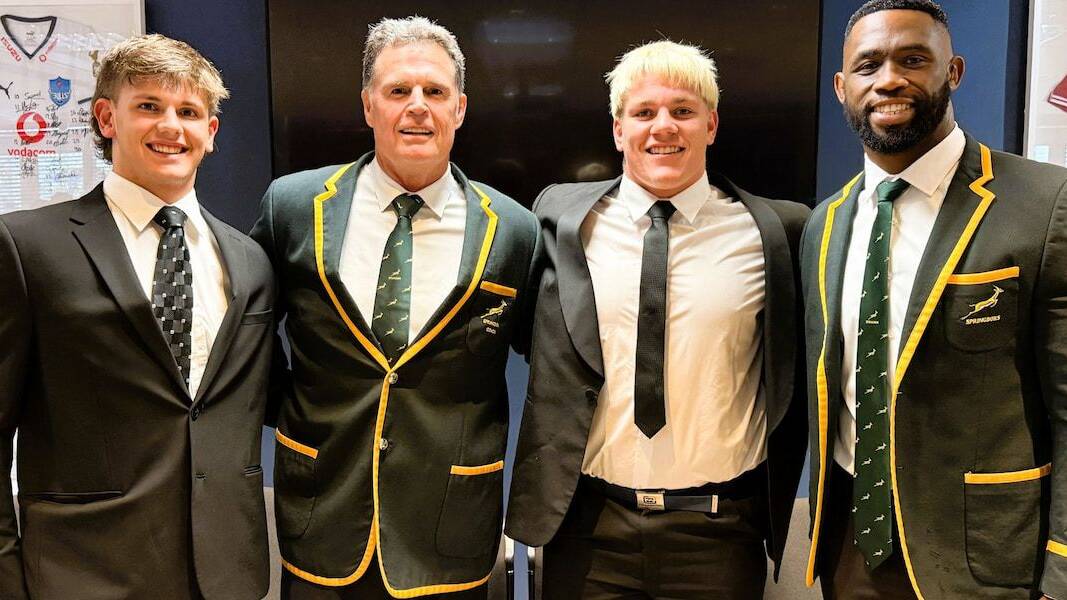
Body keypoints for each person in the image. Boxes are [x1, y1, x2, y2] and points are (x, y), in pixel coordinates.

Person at [506, 40, 809, 599]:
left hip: (719, 534)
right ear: (618, 129)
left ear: (711, 125)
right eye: (644, 112)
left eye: (682, 110)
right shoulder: (560, 218)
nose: (663, 126)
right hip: (587, 530)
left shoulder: (778, 233)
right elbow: (530, 337)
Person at [250, 16, 540, 600]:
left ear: (459, 108)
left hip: (450, 531)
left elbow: (551, 370)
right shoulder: (293, 207)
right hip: (323, 517)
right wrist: (297, 411)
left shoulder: (514, 229)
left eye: (435, 91)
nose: (417, 107)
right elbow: (247, 337)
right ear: (368, 105)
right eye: (398, 90)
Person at [801, 1, 1067, 598]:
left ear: (954, 71)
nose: (889, 79)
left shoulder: (1046, 203)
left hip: (990, 562)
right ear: (842, 87)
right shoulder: (826, 223)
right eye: (868, 65)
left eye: (913, 59)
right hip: (852, 553)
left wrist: (1063, 572)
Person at [0, 34, 273, 600]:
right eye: (149, 105)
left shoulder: (250, 261)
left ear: (211, 133)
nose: (171, 126)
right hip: (79, 574)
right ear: (107, 117)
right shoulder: (27, 247)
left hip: (225, 573)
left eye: (189, 112)